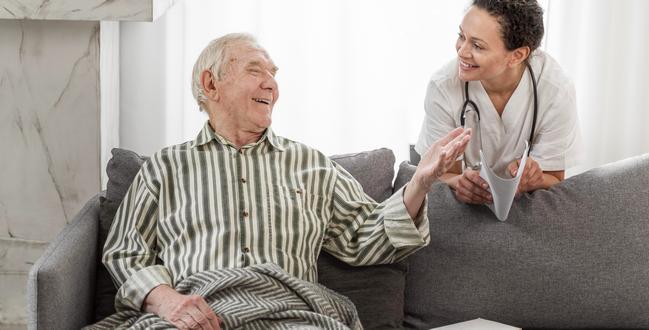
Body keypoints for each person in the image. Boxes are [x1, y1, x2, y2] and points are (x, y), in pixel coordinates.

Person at [102, 33, 471, 329]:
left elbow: (365, 237)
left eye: (274, 74)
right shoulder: (165, 167)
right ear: (210, 83)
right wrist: (167, 300)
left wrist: (421, 182)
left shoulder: (309, 164)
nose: (272, 85)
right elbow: (124, 251)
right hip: (198, 315)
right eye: (255, 70)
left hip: (291, 314)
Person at [415, 0, 580, 205]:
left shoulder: (555, 90)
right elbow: (441, 174)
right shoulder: (443, 86)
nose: (461, 51)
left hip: (525, 207)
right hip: (462, 208)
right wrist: (460, 183)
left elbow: (554, 178)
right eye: (461, 36)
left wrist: (533, 179)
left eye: (477, 45)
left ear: (517, 55)